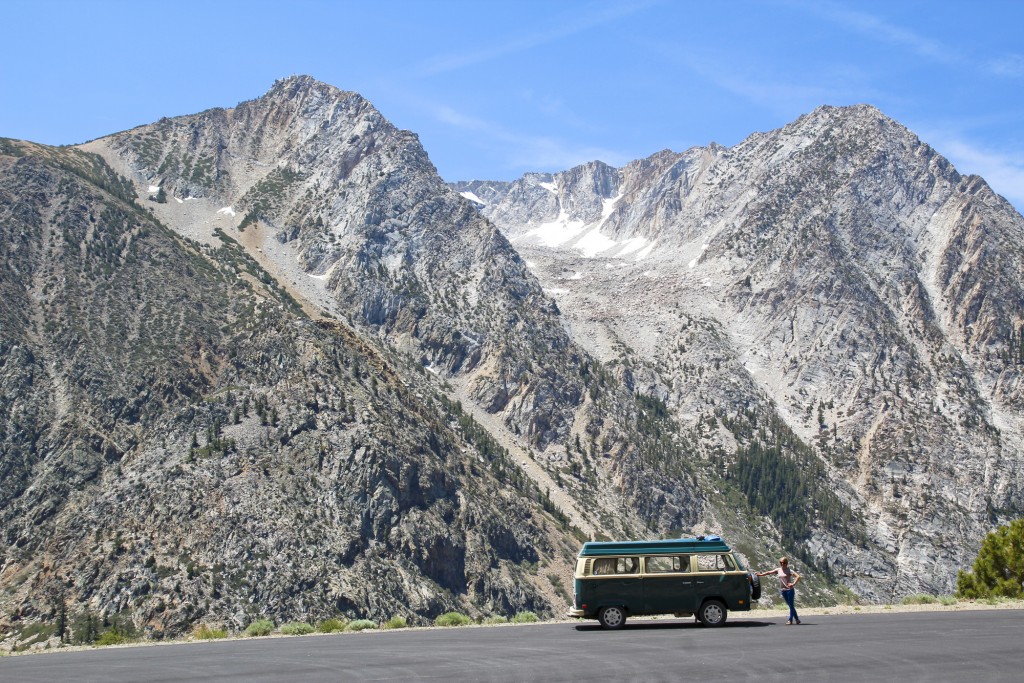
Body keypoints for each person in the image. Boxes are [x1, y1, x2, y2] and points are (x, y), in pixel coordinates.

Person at [757, 557, 801, 624]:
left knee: (791, 605)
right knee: (790, 605)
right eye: (781, 562)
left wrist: (793, 583)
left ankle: (790, 620)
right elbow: (769, 572)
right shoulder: (778, 570)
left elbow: (798, 576)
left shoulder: (789, 570)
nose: (782, 564)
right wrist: (760, 575)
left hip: (790, 590)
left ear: (787, 563)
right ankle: (797, 619)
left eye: (784, 562)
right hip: (783, 590)